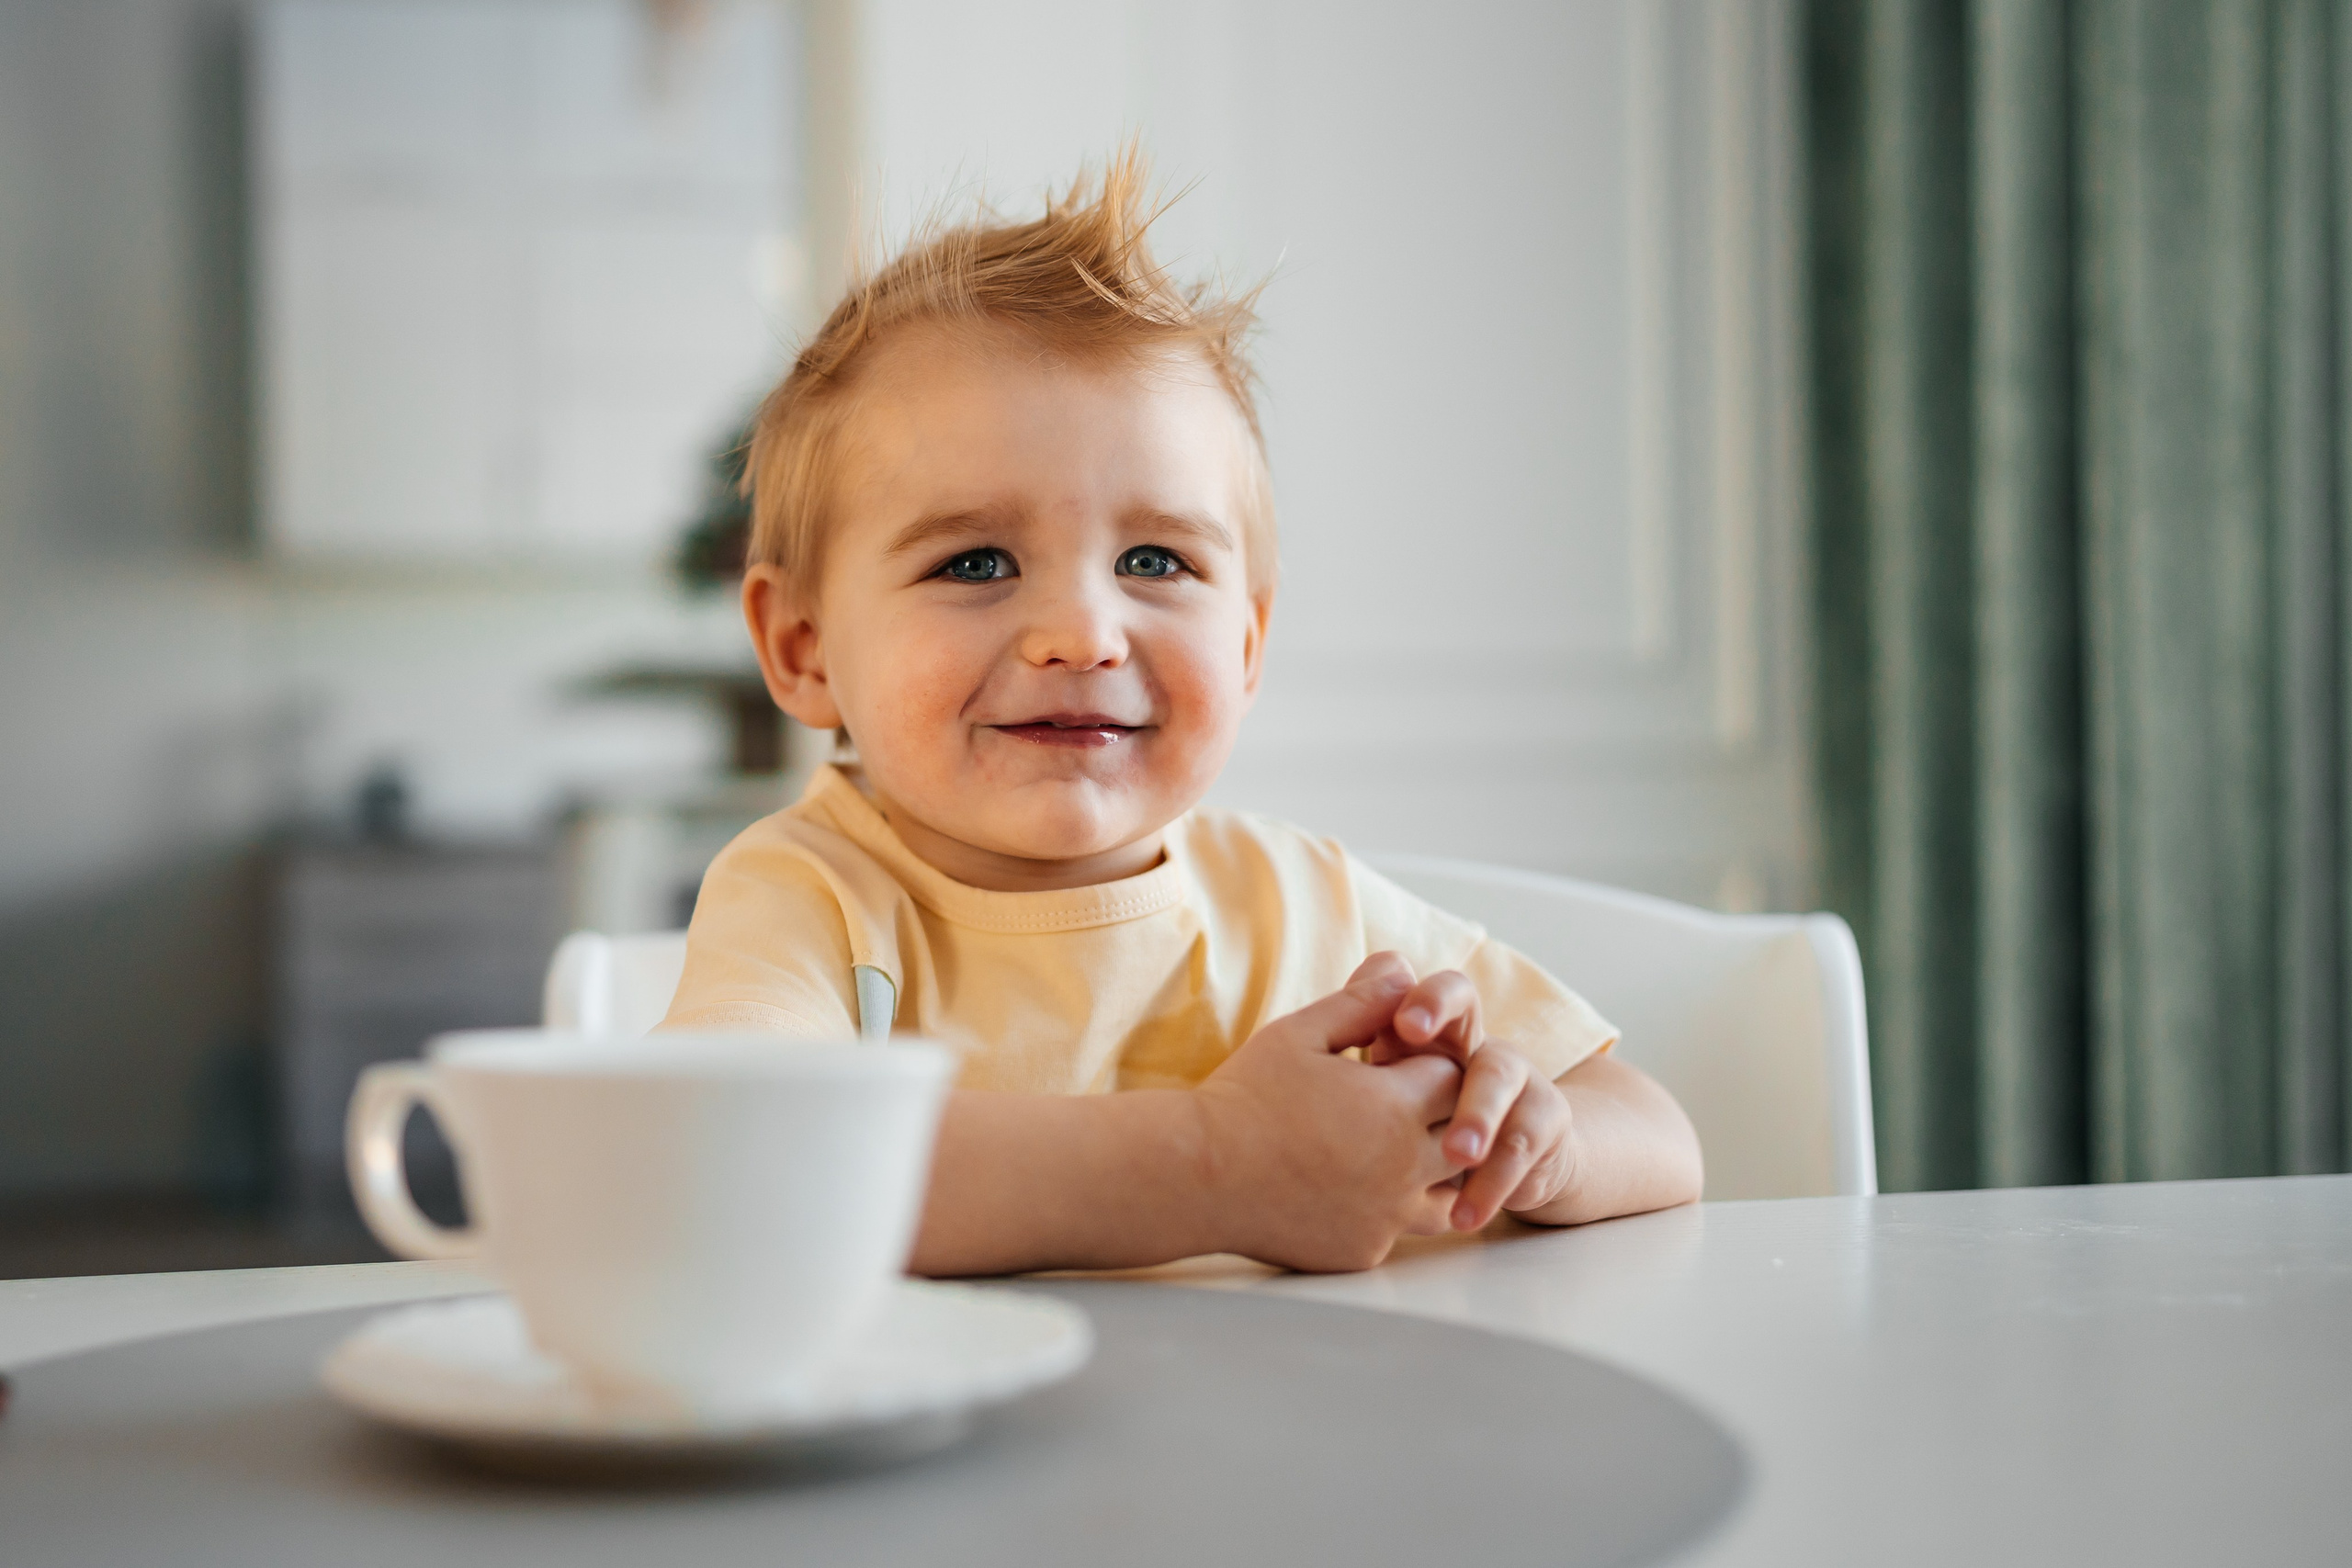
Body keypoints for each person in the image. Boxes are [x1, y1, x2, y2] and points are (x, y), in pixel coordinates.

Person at [663, 150, 1702, 1275]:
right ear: (802, 647)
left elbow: (1655, 1131)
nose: (1082, 635)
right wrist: (1222, 1162)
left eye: (1154, 560)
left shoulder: (1308, 909)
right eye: (975, 563)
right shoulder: (809, 898)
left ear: (1247, 642)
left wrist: (1538, 1148)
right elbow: (743, 1164)